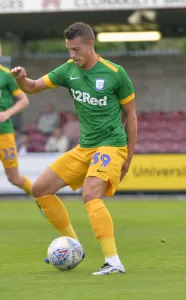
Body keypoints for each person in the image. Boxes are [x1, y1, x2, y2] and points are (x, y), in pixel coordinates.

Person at [11, 22, 137, 275]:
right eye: (69, 50)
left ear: (90, 44)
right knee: (40, 190)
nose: (72, 55)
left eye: (76, 49)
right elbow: (33, 88)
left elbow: (131, 115)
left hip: (111, 145)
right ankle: (74, 244)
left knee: (90, 194)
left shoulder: (115, 72)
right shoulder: (68, 70)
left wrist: (128, 156)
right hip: (85, 147)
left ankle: (113, 262)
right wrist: (21, 79)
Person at [0, 45, 36, 200]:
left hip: (4, 133)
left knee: (14, 179)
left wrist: (6, 113)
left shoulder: (7, 76)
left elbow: (24, 101)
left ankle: (39, 197)